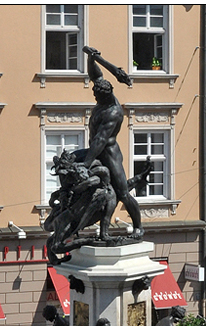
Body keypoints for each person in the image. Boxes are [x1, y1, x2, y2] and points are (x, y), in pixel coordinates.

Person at [73, 46, 143, 238]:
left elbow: (101, 140)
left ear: (105, 95)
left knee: (122, 193)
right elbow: (96, 76)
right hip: (95, 148)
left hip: (108, 153)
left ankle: (138, 226)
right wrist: (91, 59)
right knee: (70, 160)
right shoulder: (102, 94)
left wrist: (86, 164)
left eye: (97, 97)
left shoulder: (113, 112)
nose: (95, 98)